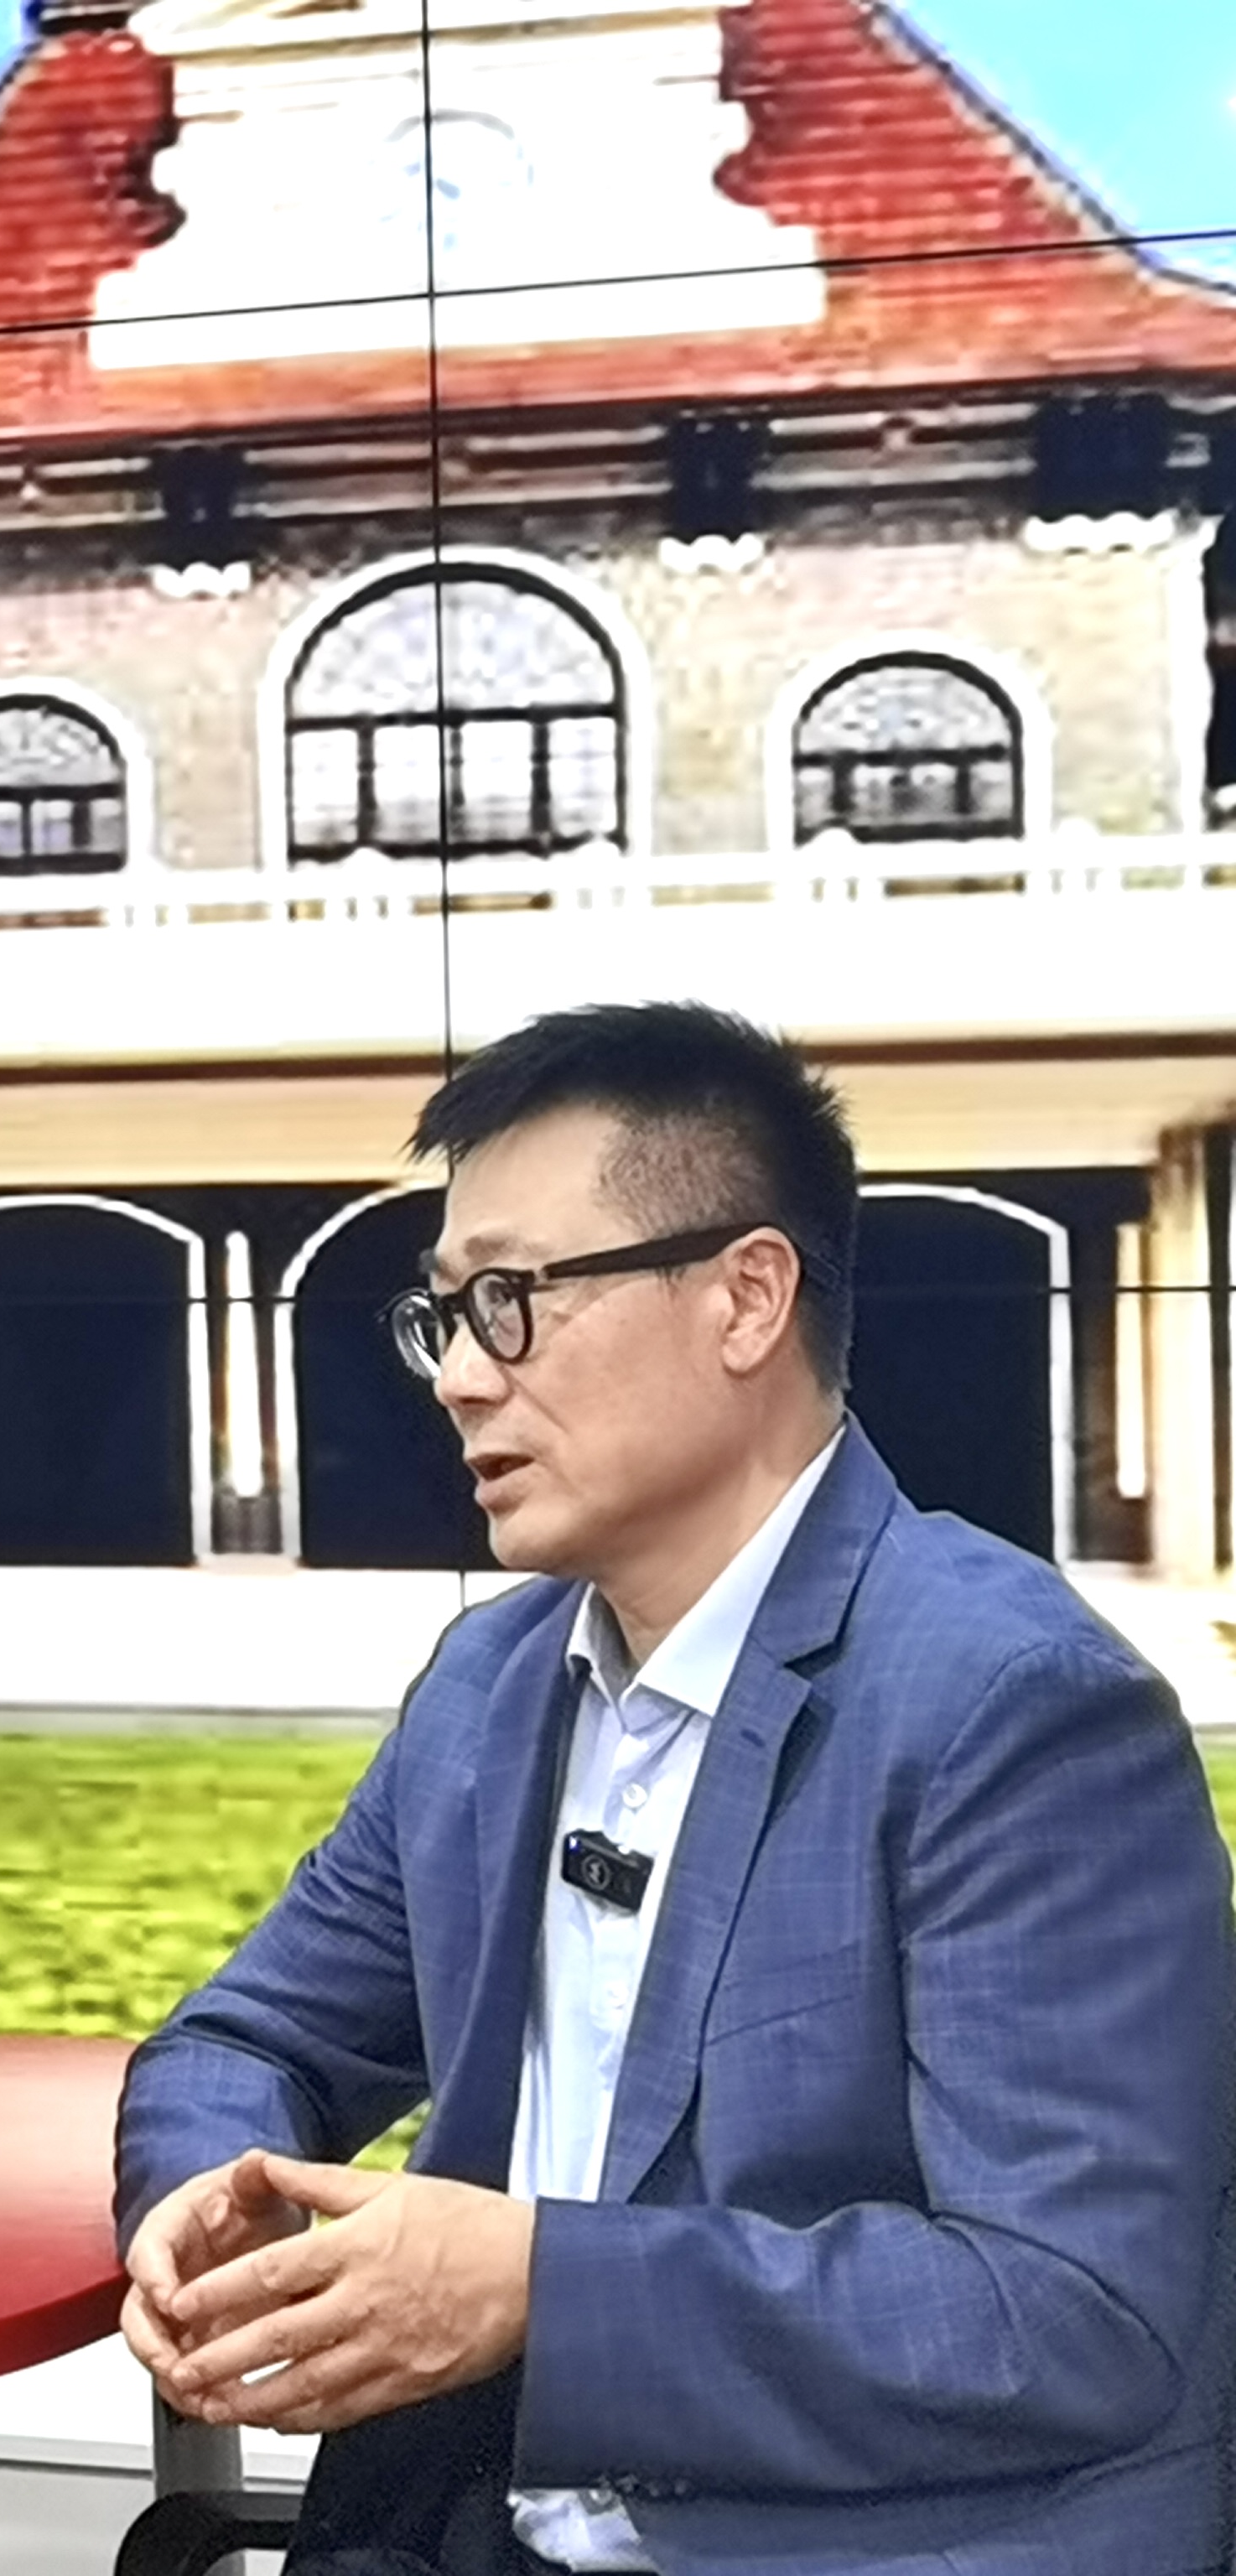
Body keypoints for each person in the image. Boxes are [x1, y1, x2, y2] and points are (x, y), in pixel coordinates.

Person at [113, 1002, 1234, 2576]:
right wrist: (209, 2201)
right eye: (444, 1315)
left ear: (745, 1298)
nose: (459, 1378)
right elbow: (245, 2039)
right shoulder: (490, 1689)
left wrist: (533, 2290)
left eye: (511, 1302)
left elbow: (1065, 2312)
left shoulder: (1014, 1706)